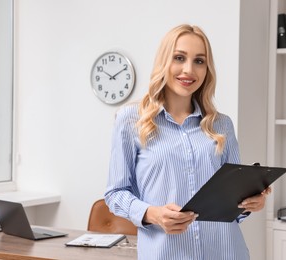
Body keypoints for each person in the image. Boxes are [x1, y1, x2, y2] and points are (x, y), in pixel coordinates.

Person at [104, 24, 271, 260]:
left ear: (207, 69)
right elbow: (116, 193)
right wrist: (152, 213)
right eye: (179, 58)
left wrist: (252, 202)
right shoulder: (131, 120)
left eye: (199, 61)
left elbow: (234, 204)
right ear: (164, 61)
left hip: (226, 252)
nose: (188, 70)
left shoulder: (222, 125)